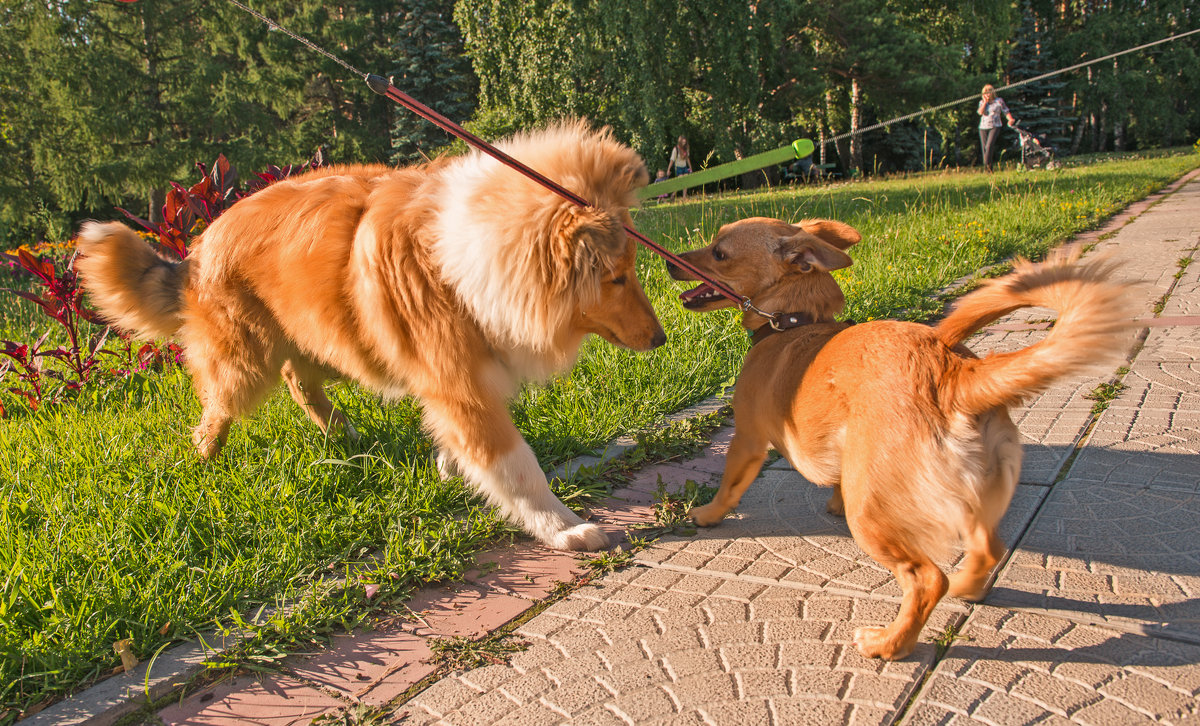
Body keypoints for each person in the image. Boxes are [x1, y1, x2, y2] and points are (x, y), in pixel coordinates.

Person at [978, 84, 1016, 173]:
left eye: (989, 92)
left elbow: (1006, 111)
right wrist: (985, 102)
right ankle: (989, 169)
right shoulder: (982, 102)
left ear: (992, 92)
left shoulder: (999, 101)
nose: (987, 94)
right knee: (984, 149)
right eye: (985, 93)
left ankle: (986, 169)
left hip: (995, 125)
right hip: (983, 127)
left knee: (989, 146)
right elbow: (980, 112)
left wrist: (1010, 119)